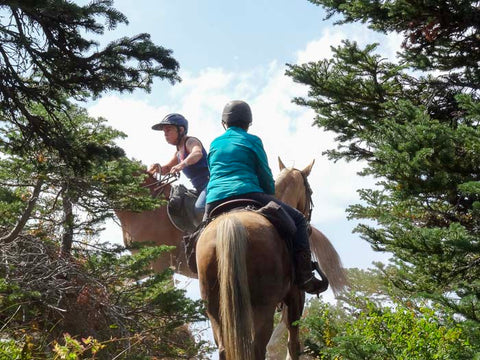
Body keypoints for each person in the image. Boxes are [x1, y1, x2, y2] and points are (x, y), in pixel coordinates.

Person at [205, 100, 325, 294]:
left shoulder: (215, 143)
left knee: (198, 234)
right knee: (299, 220)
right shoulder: (253, 140)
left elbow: (212, 172)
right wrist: (269, 193)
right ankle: (305, 275)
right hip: (248, 192)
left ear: (224, 123)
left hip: (215, 200)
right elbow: (265, 174)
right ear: (248, 123)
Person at [148, 113, 209, 220]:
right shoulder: (178, 152)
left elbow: (197, 153)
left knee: (199, 209)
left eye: (168, 130)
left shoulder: (190, 141)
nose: (165, 134)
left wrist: (182, 164)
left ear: (180, 130)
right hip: (199, 188)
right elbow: (167, 169)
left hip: (210, 184)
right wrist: (157, 169)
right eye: (164, 131)